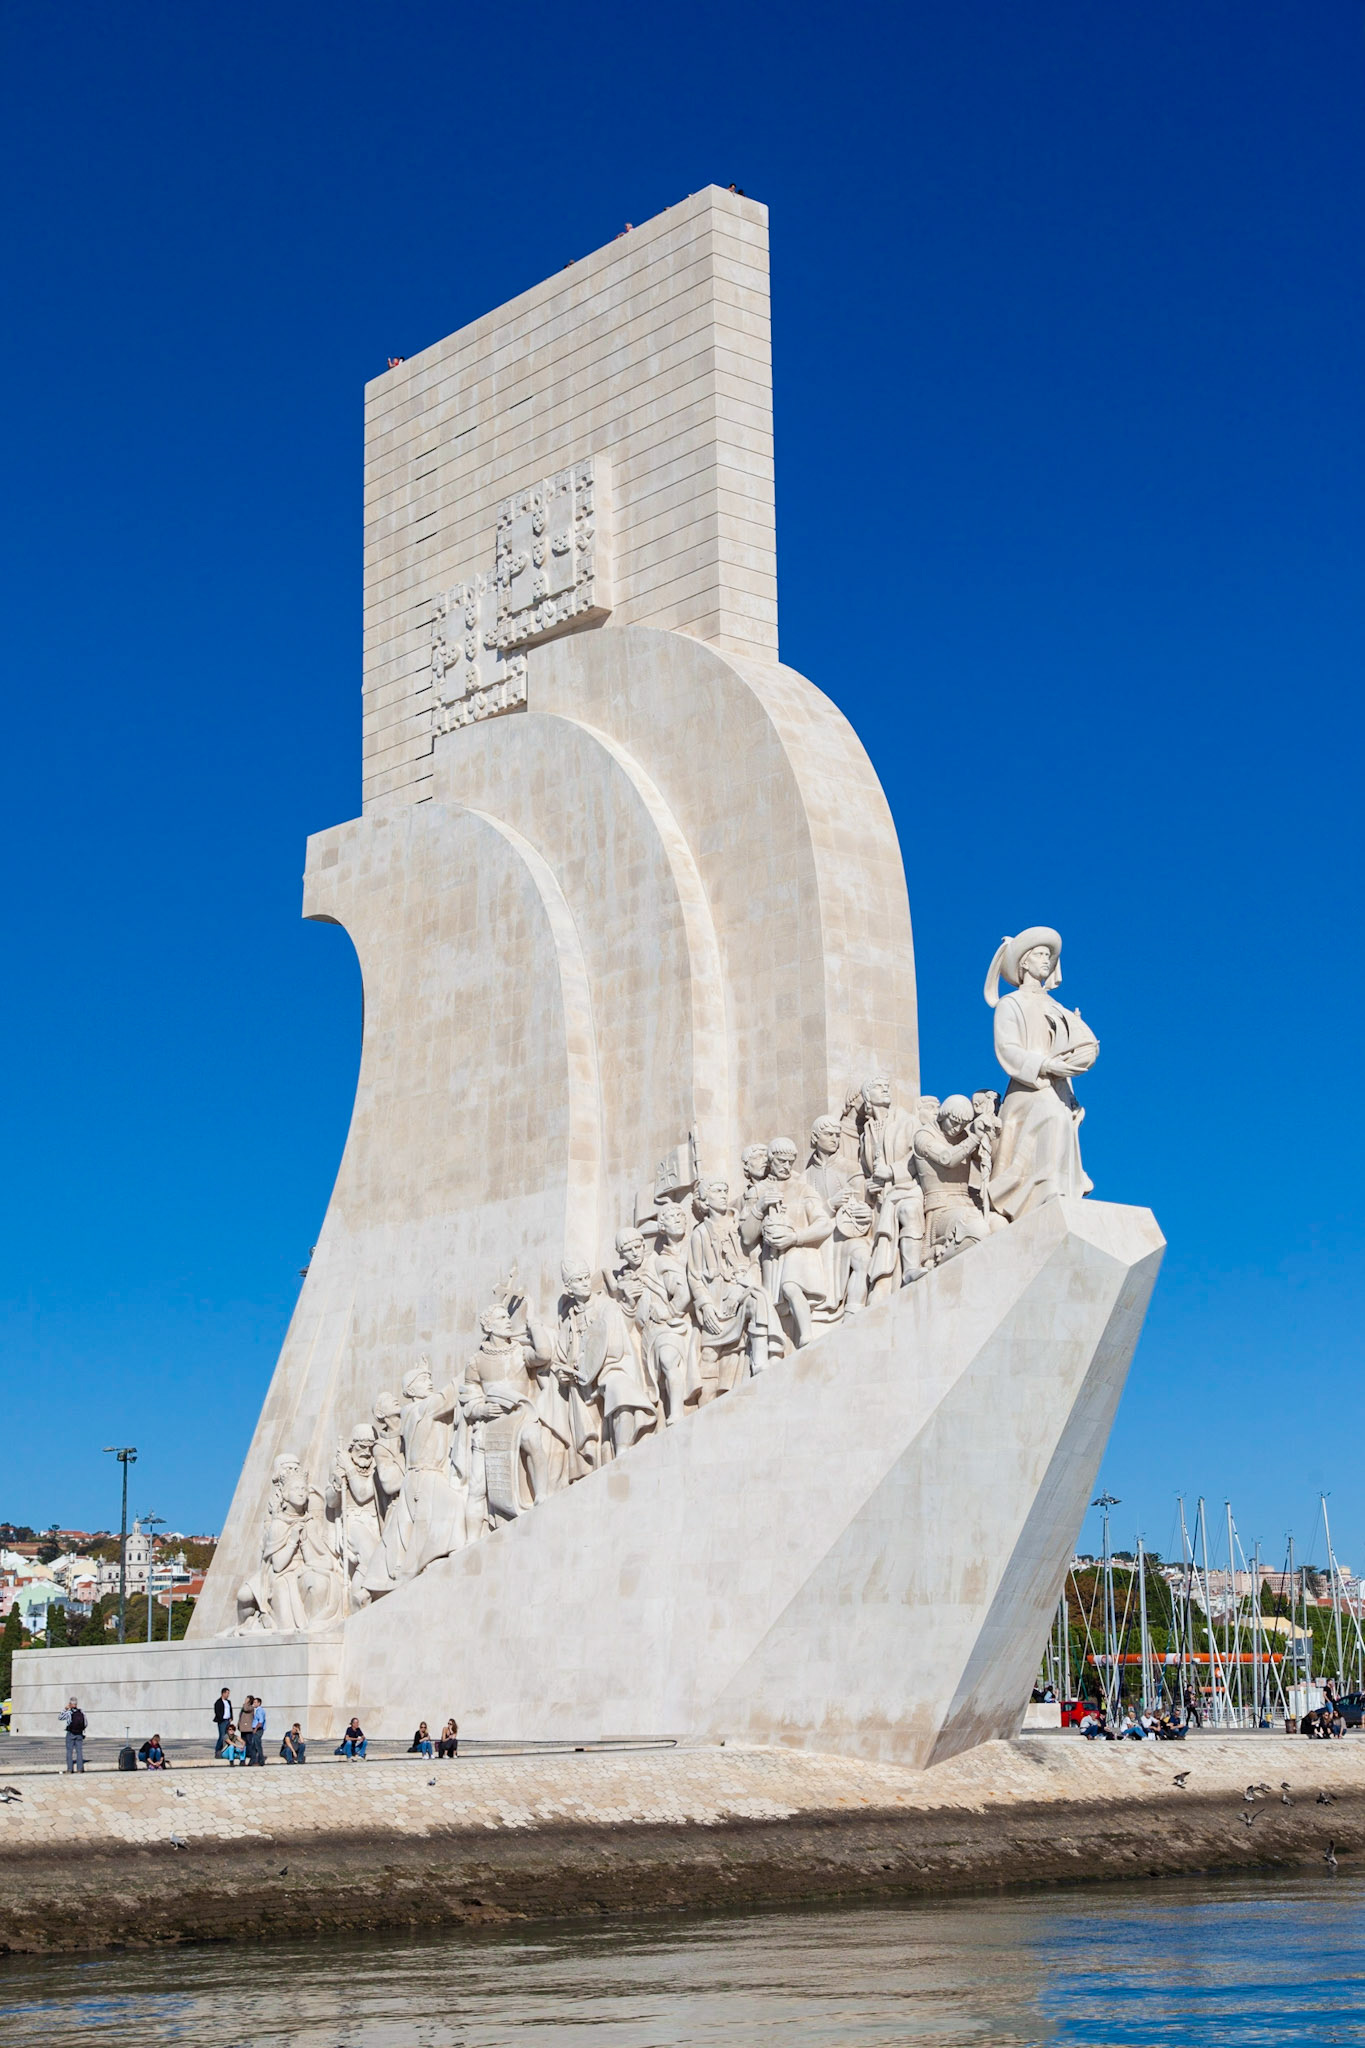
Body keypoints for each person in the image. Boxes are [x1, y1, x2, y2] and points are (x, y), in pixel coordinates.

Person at [60, 1697, 86, 1774]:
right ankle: (79, 1769)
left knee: (69, 1751)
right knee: (79, 1751)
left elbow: (60, 1717)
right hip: (79, 1734)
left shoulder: (69, 1713)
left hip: (71, 1733)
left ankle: (70, 1769)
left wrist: (65, 1709)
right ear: (76, 1704)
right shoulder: (82, 1712)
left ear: (70, 1704)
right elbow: (86, 1723)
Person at [213, 1686, 233, 1757]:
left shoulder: (228, 1702)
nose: (228, 1695)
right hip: (222, 1721)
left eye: (228, 1693)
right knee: (222, 1736)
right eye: (227, 1693)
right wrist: (221, 1719)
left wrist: (231, 1717)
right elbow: (217, 1711)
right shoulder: (218, 1702)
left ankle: (224, 1751)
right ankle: (217, 1750)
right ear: (223, 1693)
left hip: (228, 1720)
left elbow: (230, 1710)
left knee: (228, 1736)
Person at [249, 1699, 267, 1766]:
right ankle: (252, 1760)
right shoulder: (260, 1710)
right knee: (253, 1746)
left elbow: (260, 1721)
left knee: (258, 1746)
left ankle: (261, 1761)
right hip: (257, 1729)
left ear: (259, 1703)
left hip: (258, 1730)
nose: (254, 1703)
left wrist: (255, 1729)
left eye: (255, 1702)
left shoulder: (259, 1710)